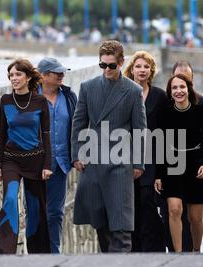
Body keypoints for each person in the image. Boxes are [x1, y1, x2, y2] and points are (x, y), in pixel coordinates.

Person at [71, 40, 147, 253]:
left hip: (120, 163)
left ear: (122, 63)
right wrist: (77, 153)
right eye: (102, 65)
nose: (106, 70)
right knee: (100, 221)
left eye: (111, 66)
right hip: (93, 161)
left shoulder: (133, 91)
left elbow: (140, 130)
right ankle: (109, 266)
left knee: (121, 224)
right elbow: (78, 122)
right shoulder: (88, 87)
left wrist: (138, 162)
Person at [0, 59, 52, 254]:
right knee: (10, 199)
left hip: (35, 160)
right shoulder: (5, 101)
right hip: (11, 160)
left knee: (35, 207)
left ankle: (39, 252)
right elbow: (2, 134)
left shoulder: (40, 101)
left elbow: (46, 136)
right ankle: (5, 252)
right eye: (11, 75)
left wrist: (47, 164)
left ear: (28, 77)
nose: (14, 78)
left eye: (18, 74)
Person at [155, 74, 203, 253]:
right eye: (174, 88)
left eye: (182, 87)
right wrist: (158, 174)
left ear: (188, 89)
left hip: (197, 165)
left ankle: (196, 250)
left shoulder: (200, 110)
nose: (178, 91)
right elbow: (159, 143)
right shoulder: (165, 112)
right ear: (170, 92)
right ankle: (179, 254)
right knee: (174, 210)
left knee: (195, 218)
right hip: (172, 165)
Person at [124, 51, 167, 252]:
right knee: (130, 205)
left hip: (152, 157)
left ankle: (153, 250)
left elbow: (167, 131)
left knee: (149, 203)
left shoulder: (160, 96)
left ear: (151, 71)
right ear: (131, 69)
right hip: (126, 157)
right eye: (138, 66)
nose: (142, 70)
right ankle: (133, 250)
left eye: (146, 67)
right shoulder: (122, 92)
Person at [36, 57, 77, 254]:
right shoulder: (30, 97)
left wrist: (77, 154)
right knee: (36, 212)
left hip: (60, 163)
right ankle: (36, 252)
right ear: (43, 76)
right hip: (35, 164)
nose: (61, 75)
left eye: (62, 72)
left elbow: (77, 127)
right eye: (56, 72)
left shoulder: (69, 96)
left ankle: (53, 253)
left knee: (55, 213)